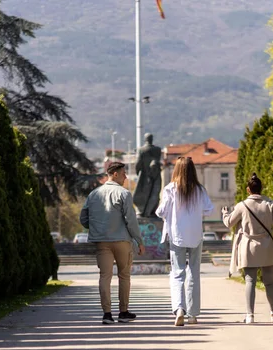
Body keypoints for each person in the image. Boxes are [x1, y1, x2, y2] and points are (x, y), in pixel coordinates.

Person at [222, 173, 273, 324]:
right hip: (267, 247)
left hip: (248, 247)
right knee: (269, 282)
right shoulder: (270, 204)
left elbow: (229, 223)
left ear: (248, 190)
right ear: (261, 188)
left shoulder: (242, 206)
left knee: (250, 281)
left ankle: (250, 315)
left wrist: (225, 213)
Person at [80, 161, 145, 324]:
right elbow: (131, 220)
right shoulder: (124, 193)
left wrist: (95, 226)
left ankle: (107, 314)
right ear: (115, 174)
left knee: (104, 277)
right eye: (123, 173)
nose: (125, 177)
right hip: (122, 240)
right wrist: (139, 240)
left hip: (101, 241)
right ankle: (123, 312)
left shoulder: (93, 194)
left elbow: (83, 218)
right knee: (124, 276)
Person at [156, 156, 214, 326]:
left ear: (177, 170)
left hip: (176, 236)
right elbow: (210, 210)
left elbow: (160, 212)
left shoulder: (170, 189)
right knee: (194, 274)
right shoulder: (200, 190)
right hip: (196, 236)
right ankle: (193, 314)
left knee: (177, 273)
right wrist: (196, 212)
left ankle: (179, 309)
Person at [133, 133, 162, 217]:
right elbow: (157, 161)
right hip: (155, 174)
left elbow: (138, 163)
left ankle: (141, 212)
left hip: (144, 175)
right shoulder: (158, 149)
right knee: (154, 193)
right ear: (152, 139)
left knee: (142, 194)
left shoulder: (141, 149)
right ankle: (152, 211)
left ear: (145, 139)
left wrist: (138, 173)